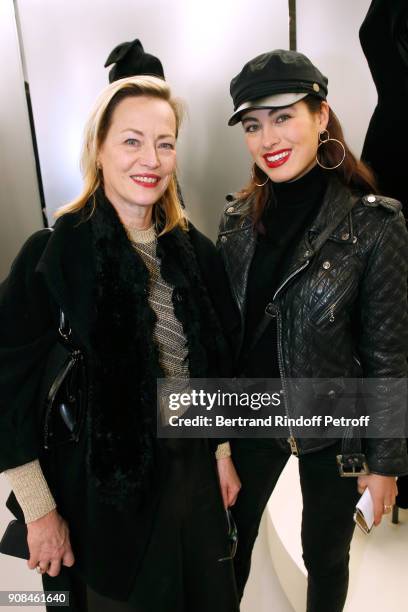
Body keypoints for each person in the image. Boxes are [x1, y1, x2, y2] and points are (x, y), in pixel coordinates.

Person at [0, 75, 240, 612]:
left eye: (164, 142)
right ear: (99, 150)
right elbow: (6, 389)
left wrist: (221, 451)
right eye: (131, 140)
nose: (149, 158)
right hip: (104, 499)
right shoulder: (53, 256)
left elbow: (211, 364)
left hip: (193, 481)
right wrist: (39, 513)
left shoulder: (195, 254)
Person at [216, 49, 408, 612]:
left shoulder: (376, 224)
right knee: (226, 552)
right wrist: (217, 444)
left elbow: (388, 354)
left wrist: (386, 463)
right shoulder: (235, 222)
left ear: (321, 116)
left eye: (283, 116)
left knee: (326, 558)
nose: (267, 137)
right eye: (253, 124)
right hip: (249, 415)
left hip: (335, 424)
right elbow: (225, 342)